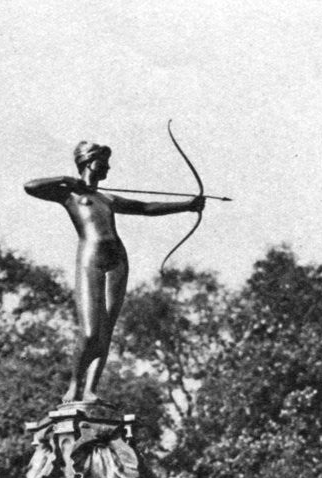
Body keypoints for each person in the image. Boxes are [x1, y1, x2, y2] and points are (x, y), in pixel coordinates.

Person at [24, 141, 204, 402]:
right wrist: (66, 180)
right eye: (102, 162)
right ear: (87, 162)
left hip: (117, 259)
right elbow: (30, 187)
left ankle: (90, 389)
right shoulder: (69, 195)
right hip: (91, 259)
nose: (107, 167)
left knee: (106, 331)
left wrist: (187, 205)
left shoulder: (107, 198)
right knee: (89, 333)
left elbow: (144, 208)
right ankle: (74, 386)